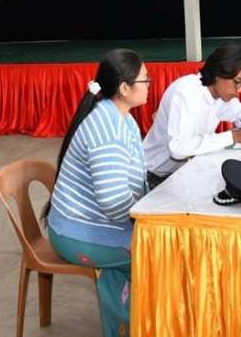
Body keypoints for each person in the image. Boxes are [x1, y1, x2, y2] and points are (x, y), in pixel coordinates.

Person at [44, 49, 150, 337]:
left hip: (95, 226)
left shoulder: (121, 117)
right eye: (145, 80)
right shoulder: (108, 130)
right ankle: (140, 324)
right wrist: (150, 218)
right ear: (125, 88)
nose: (149, 86)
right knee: (159, 253)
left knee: (154, 249)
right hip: (76, 235)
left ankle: (125, 326)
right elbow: (115, 204)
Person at [143, 43, 241, 188]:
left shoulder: (219, 93)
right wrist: (235, 136)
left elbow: (238, 112)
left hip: (185, 170)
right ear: (219, 73)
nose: (240, 90)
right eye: (237, 82)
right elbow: (178, 149)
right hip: (155, 177)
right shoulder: (186, 91)